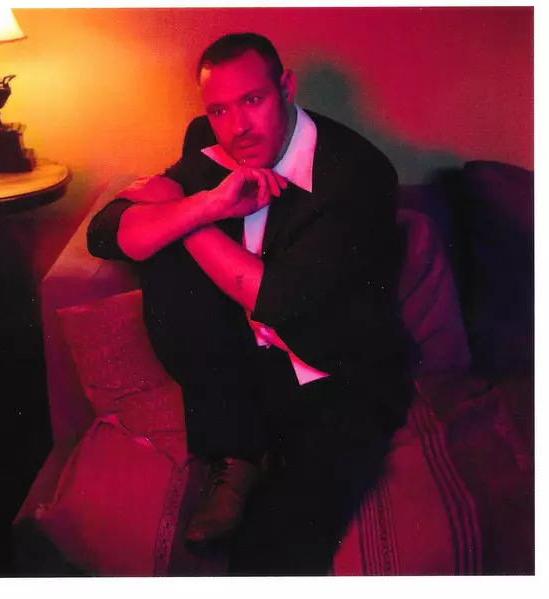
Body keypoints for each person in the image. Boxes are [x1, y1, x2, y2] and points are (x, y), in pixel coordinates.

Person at [87, 32, 412, 576]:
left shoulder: (358, 171)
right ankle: (235, 455)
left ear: (285, 88)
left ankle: (255, 469)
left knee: (276, 548)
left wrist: (194, 214)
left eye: (253, 100)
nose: (237, 126)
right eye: (219, 110)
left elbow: (277, 299)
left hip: (337, 375)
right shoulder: (207, 146)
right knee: (166, 245)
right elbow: (105, 232)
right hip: (246, 368)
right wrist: (205, 204)